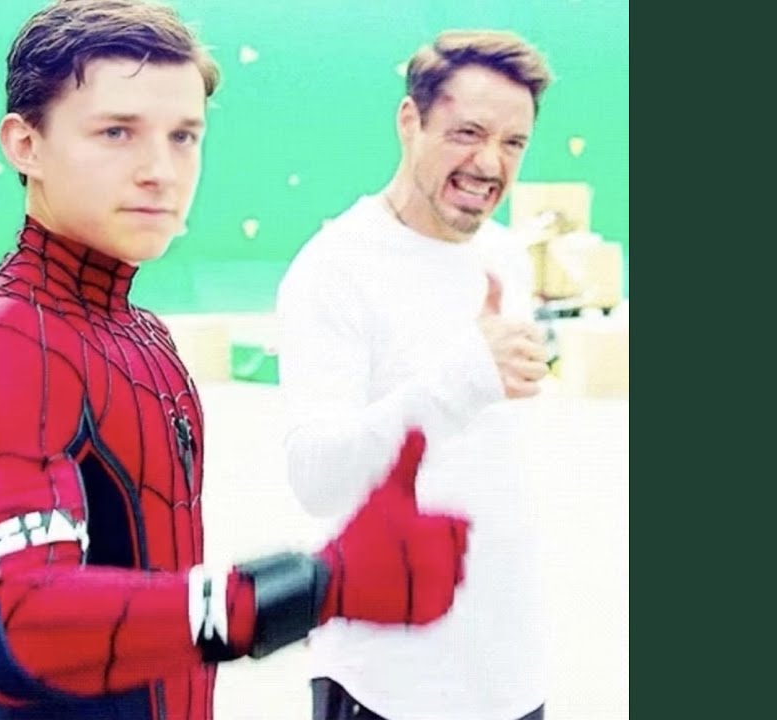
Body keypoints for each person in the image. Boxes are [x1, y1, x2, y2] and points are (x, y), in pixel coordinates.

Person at [0, 2, 470, 719]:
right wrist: (316, 586)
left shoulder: (143, 334)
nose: (160, 171)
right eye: (117, 132)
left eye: (183, 136)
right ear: (26, 145)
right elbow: (14, 623)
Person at [276, 29, 556, 720]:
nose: (489, 163)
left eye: (513, 142)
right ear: (410, 121)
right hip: (388, 685)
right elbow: (316, 477)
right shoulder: (335, 268)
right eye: (468, 133)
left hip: (510, 676)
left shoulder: (504, 257)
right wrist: (465, 376)